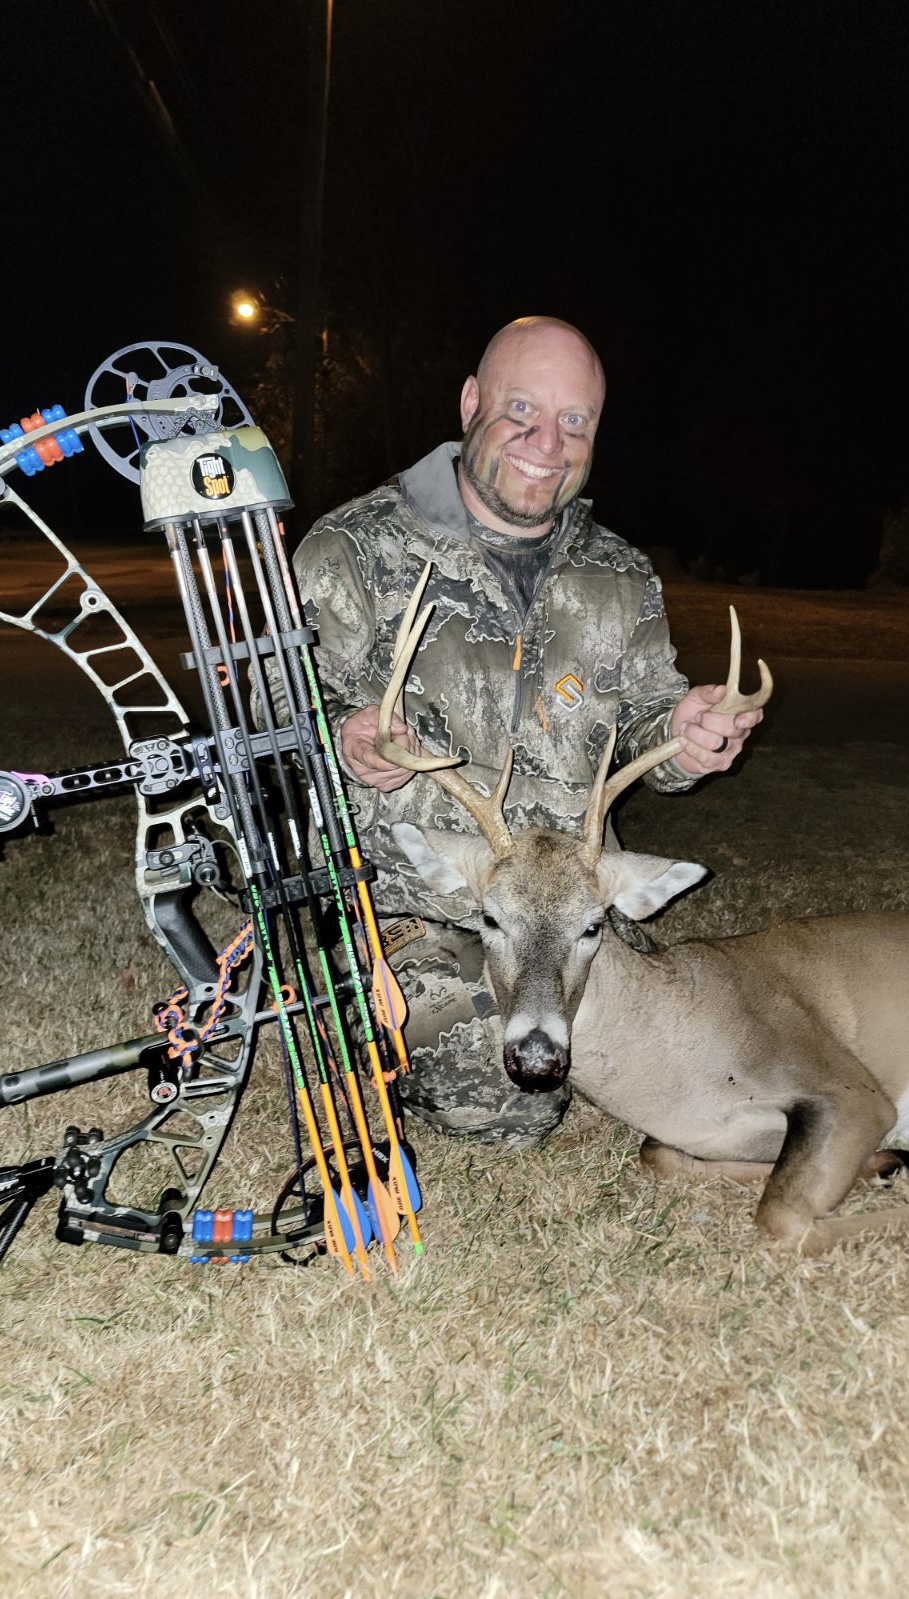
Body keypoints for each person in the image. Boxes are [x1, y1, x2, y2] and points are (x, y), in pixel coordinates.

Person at [291, 317, 763, 1146]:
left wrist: (687, 733)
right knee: (511, 1099)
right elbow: (275, 718)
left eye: (574, 420)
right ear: (471, 402)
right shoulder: (352, 549)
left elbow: (652, 710)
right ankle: (361, 1004)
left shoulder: (617, 571)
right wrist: (344, 738)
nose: (548, 442)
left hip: (568, 901)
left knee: (722, 1046)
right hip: (413, 900)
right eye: (521, 409)